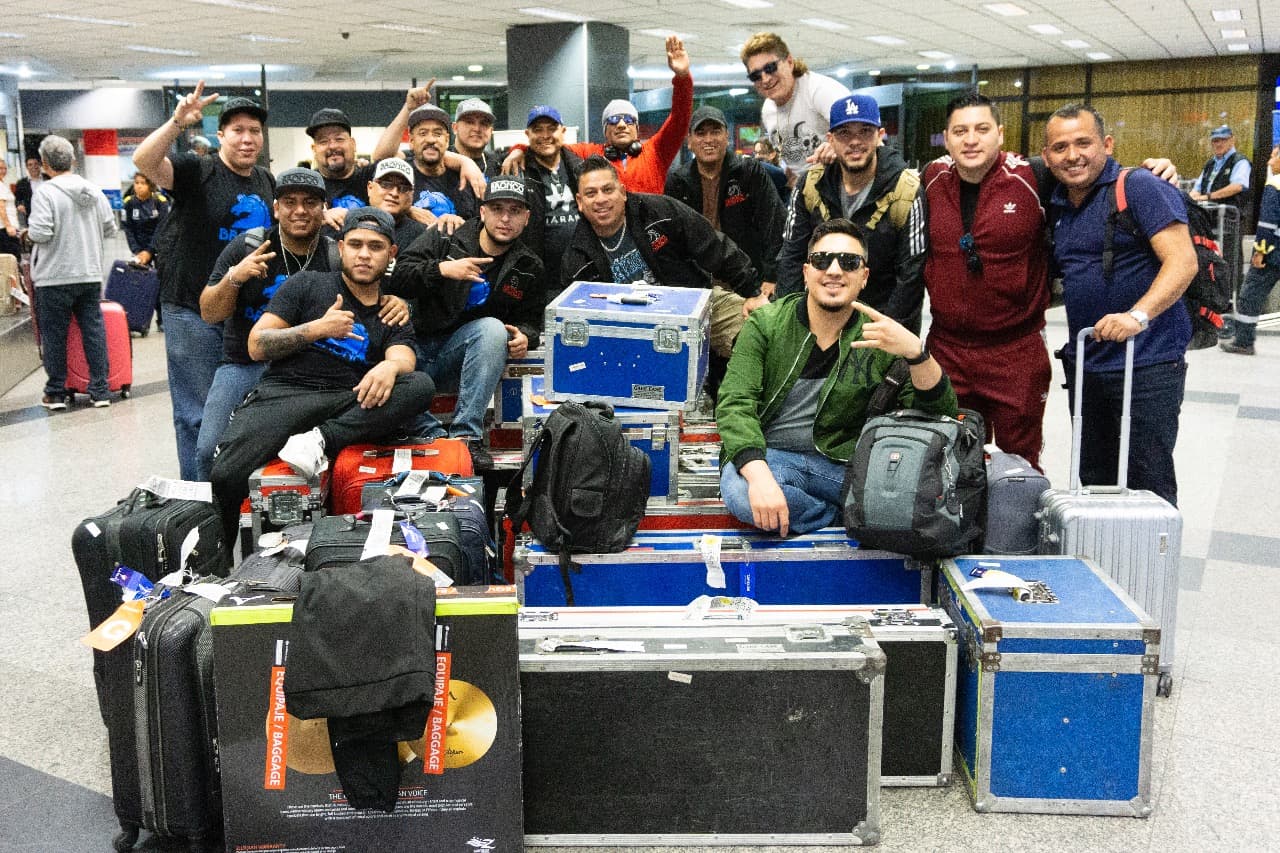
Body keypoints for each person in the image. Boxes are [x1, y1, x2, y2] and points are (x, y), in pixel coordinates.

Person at [717, 218, 957, 536]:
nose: (834, 270)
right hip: (772, 458)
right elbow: (735, 403)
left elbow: (938, 415)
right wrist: (759, 477)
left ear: (863, 277)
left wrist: (917, 354)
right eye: (821, 260)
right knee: (740, 493)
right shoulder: (766, 324)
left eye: (848, 262)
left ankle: (830, 513)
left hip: (845, 466)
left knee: (907, 498)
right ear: (806, 273)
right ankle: (839, 519)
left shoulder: (881, 335)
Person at [209, 207, 433, 546]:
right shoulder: (307, 285)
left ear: (391, 254)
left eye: (375, 246)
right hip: (285, 395)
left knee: (418, 385)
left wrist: (390, 366)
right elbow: (256, 345)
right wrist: (317, 329)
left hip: (346, 400)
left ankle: (320, 441)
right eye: (355, 244)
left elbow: (404, 354)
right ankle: (224, 559)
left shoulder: (391, 308)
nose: (363, 254)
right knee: (225, 475)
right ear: (341, 248)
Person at [1043, 103, 1197, 507]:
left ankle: (1148, 569)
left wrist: (1137, 316)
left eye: (1083, 143)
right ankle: (1101, 565)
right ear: (1046, 156)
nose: (1072, 155)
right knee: (1093, 479)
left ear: (1107, 144)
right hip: (1088, 366)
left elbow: (1183, 261)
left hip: (1146, 363)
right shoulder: (1059, 202)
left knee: (1147, 481)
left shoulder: (1140, 187)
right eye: (1060, 147)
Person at [133, 83, 276, 481]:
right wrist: (178, 122)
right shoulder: (199, 170)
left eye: (254, 131)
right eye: (237, 130)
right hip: (192, 311)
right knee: (196, 413)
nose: (247, 139)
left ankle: (233, 495)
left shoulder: (266, 181)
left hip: (243, 314)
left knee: (237, 410)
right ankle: (199, 502)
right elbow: (146, 161)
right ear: (221, 136)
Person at [922, 93, 1052, 469]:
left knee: (1019, 463)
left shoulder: (1033, 178)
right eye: (960, 131)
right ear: (946, 139)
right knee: (951, 462)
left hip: (1015, 350)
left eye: (982, 129)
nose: (971, 139)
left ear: (1000, 134)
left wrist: (1149, 170)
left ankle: (1014, 529)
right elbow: (881, 169)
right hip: (948, 349)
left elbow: (1089, 173)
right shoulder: (931, 179)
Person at [391, 177, 545, 470]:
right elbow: (398, 277)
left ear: (526, 218)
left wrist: (525, 336)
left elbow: (532, 321)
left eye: (515, 211)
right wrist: (442, 269)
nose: (505, 218)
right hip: (416, 354)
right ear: (483, 211)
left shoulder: (529, 265)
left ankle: (465, 439)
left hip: (464, 362)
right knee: (378, 359)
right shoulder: (447, 233)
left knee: (491, 328)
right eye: (497, 208)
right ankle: (434, 435)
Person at [195, 168, 334, 480]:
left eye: (310, 202)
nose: (300, 210)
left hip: (308, 371)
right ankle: (213, 521)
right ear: (276, 208)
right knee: (208, 451)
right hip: (243, 364)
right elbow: (209, 313)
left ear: (323, 209)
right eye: (290, 202)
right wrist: (234, 278)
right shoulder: (248, 247)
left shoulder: (335, 254)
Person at [777, 94, 926, 334]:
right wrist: (787, 328)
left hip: (879, 321)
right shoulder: (811, 185)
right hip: (819, 320)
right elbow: (792, 258)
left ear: (880, 136)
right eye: (844, 133)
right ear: (830, 140)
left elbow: (911, 277)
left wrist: (892, 346)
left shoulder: (905, 190)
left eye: (865, 131)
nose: (855, 141)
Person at [665, 105, 784, 388]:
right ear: (690, 141)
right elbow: (672, 239)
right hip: (700, 286)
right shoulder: (678, 181)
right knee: (704, 369)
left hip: (749, 281)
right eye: (701, 133)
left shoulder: (749, 172)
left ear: (727, 136)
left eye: (715, 131)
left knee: (748, 361)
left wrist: (770, 276)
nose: (709, 139)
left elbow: (774, 224)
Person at [561, 156, 765, 311]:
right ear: (579, 202)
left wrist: (753, 292)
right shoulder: (576, 258)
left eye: (607, 190)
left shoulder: (660, 211)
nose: (600, 199)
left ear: (622, 193)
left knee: (758, 328)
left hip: (693, 303)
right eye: (591, 193)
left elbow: (714, 246)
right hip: (626, 329)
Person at [502, 36, 693, 195]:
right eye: (613, 120)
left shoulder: (656, 152)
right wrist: (520, 149)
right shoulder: (590, 154)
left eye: (628, 119)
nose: (621, 124)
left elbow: (680, 118)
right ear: (605, 131)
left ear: (636, 127)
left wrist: (683, 77)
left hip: (649, 236)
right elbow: (550, 144)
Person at [23, 135, 118, 410]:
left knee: (55, 335)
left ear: (44, 164)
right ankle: (100, 390)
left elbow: (41, 232)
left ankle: (56, 392)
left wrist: (29, 234)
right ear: (72, 160)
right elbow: (109, 227)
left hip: (54, 277)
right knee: (93, 331)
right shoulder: (92, 189)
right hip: (89, 273)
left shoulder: (45, 192)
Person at [740, 31, 849, 179]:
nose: (765, 79)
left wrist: (837, 145)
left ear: (789, 62)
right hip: (808, 192)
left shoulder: (820, 90)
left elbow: (867, 139)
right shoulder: (768, 111)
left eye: (770, 68)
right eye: (755, 76)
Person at [1221, 145, 1280, 355]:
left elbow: (1267, 224)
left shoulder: (1275, 184)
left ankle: (1243, 341)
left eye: (1273, 157)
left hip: (1273, 253)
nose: (1269, 162)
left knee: (1250, 295)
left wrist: (1260, 251)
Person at [520, 105, 585, 291]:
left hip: (581, 269)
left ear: (563, 132)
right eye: (537, 130)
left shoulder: (579, 166)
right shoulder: (517, 170)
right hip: (540, 276)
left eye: (551, 128)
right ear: (527, 134)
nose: (545, 135)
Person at [306, 108, 376, 229]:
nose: (332, 146)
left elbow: (389, 153)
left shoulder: (370, 176)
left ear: (353, 144)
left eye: (339, 139)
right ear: (314, 149)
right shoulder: (307, 185)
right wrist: (321, 216)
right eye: (323, 141)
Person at [366, 157, 427, 250]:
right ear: (370, 188)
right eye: (386, 185)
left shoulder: (423, 236)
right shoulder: (349, 225)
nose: (394, 193)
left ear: (412, 195)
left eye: (404, 188)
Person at [1190, 125, 1252, 213]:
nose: (1219, 144)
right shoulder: (1210, 163)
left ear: (1232, 140)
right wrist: (1191, 198)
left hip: (1229, 218)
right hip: (1207, 214)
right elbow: (1197, 189)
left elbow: (1237, 187)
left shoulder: (1240, 162)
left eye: (1223, 140)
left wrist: (1208, 197)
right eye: (1215, 141)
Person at [120, 172, 171, 267]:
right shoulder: (129, 203)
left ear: (150, 185)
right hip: (139, 248)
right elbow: (128, 229)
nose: (139, 186)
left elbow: (161, 228)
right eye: (136, 183)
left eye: (143, 183)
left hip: (158, 247)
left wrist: (150, 251)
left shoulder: (160, 202)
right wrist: (136, 251)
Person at [452, 98, 502, 177]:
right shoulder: (438, 161)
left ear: (491, 131)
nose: (477, 129)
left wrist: (518, 150)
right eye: (469, 122)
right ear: (455, 128)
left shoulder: (498, 164)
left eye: (484, 123)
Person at [14, 155, 46, 227]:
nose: (33, 167)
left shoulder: (48, 178)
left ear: (40, 165)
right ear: (27, 167)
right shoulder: (21, 183)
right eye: (30, 165)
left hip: (49, 213)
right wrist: (19, 205)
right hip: (32, 217)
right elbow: (17, 200)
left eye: (36, 164)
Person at [0, 160, 22, 259]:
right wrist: (8, 226)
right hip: (5, 229)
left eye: (5, 168)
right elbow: (1, 207)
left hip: (8, 228)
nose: (3, 171)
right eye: (0, 168)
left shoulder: (3, 184)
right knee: (12, 260)